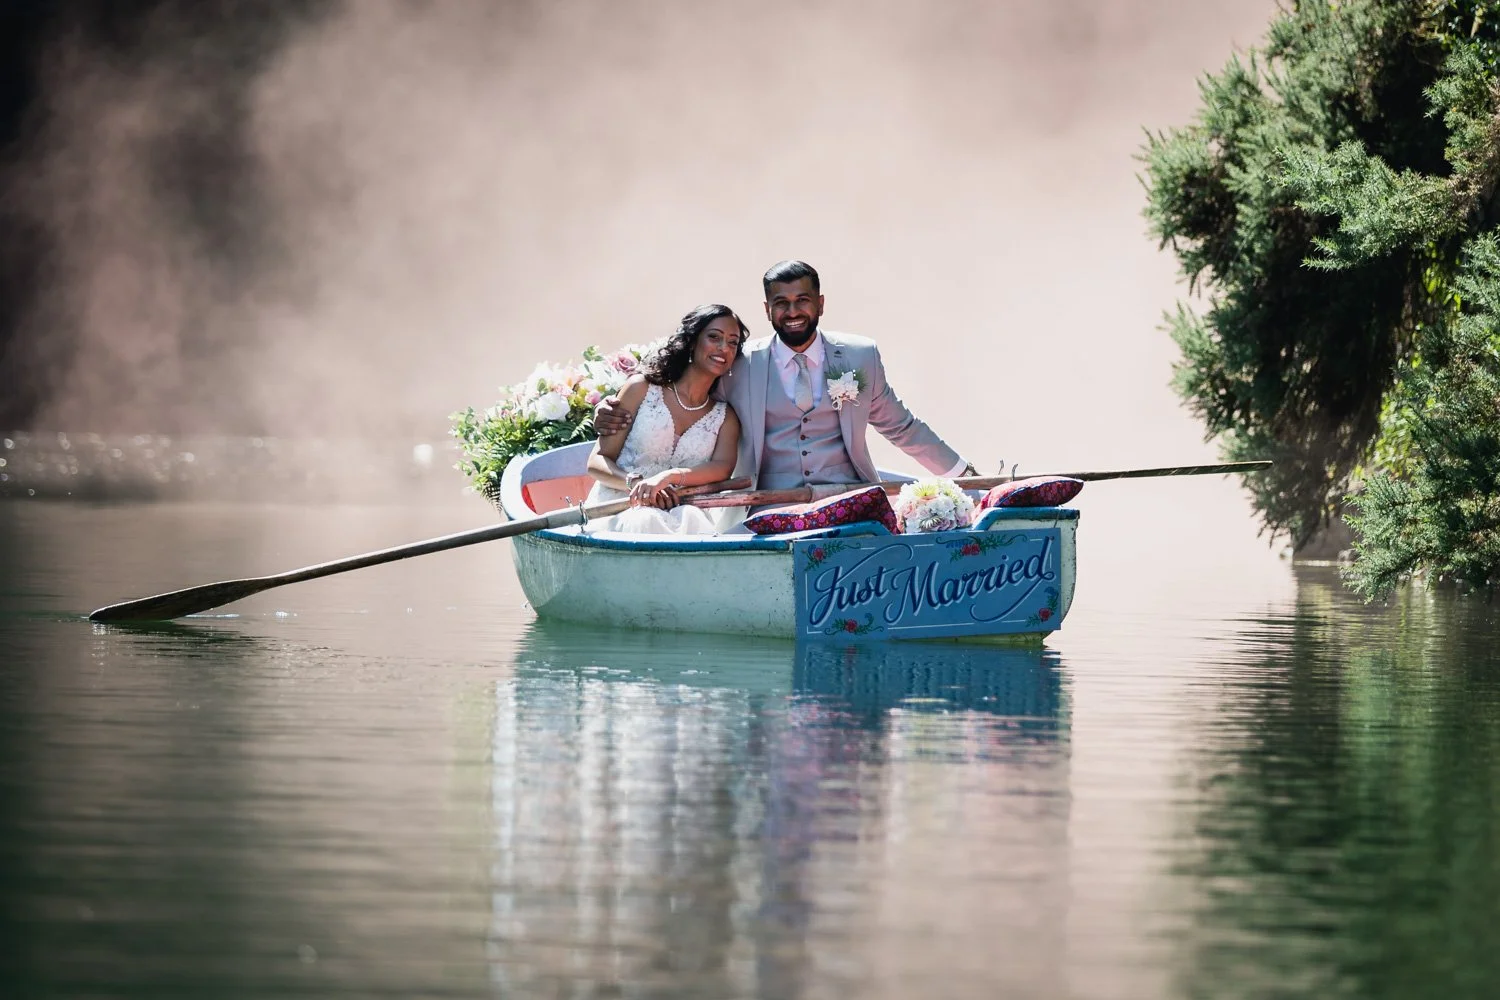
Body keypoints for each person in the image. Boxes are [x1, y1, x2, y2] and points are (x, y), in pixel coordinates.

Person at [596, 260, 977, 506]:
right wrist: (606, 407)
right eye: (781, 303)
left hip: (849, 497)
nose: (792, 312)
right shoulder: (738, 364)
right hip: (767, 502)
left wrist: (965, 476)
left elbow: (901, 427)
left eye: (803, 300)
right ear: (767, 310)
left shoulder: (860, 356)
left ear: (821, 304)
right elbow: (679, 391)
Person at [584, 304, 746, 533]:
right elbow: (597, 461)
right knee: (644, 520)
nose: (724, 348)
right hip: (618, 507)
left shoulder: (724, 417)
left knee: (691, 518)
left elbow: (722, 468)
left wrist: (669, 478)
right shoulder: (641, 389)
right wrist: (637, 484)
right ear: (692, 342)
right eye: (714, 337)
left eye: (732, 342)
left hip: (680, 510)